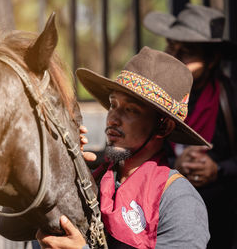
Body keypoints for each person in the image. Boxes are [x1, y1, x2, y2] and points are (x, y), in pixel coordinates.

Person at [36, 46, 210, 248]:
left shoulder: (179, 200)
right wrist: (58, 168)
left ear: (163, 126)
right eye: (113, 104)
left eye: (130, 110)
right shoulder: (91, 179)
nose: (113, 118)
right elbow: (12, 227)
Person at [144, 3, 237, 249]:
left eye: (185, 53)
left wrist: (218, 168)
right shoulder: (158, 97)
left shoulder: (229, 97)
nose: (173, 58)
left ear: (212, 59)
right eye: (171, 49)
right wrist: (174, 167)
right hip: (166, 214)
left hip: (222, 219)